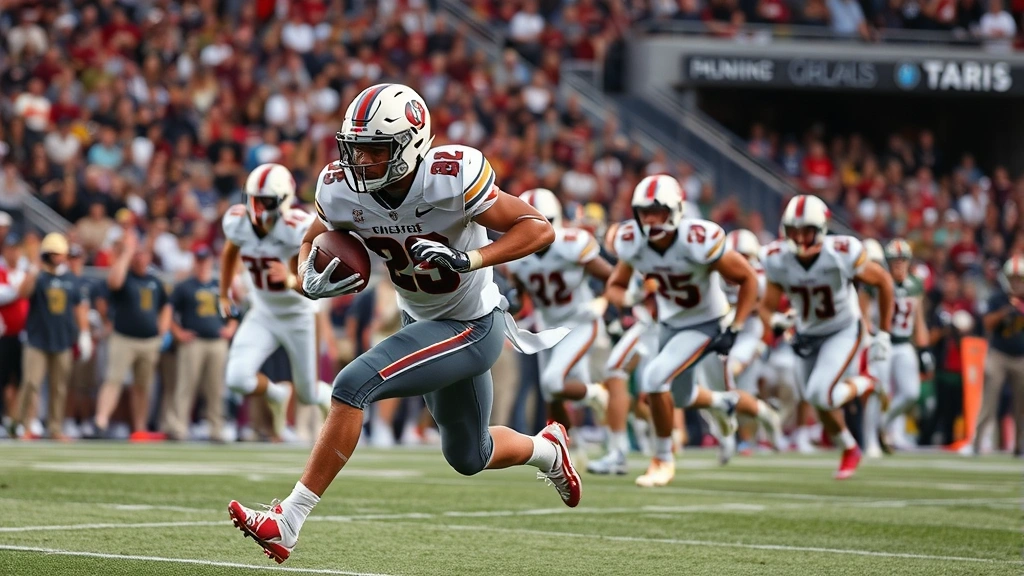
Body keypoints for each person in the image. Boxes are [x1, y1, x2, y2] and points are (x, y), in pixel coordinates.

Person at [227, 83, 578, 563]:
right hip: (423, 318)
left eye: (375, 150)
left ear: (412, 143)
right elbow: (312, 239)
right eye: (356, 149)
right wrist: (306, 276)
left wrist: (469, 257)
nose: (361, 162)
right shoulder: (341, 187)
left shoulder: (449, 175)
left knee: (351, 384)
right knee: (468, 456)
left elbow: (538, 227)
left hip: (473, 325)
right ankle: (548, 450)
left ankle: (288, 520)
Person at [604, 174, 765, 487]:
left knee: (654, 377)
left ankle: (662, 459)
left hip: (705, 322)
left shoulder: (697, 239)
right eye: (644, 212)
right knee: (680, 395)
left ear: (676, 210)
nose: (650, 219)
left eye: (657, 211)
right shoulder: (633, 241)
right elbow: (615, 287)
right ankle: (721, 403)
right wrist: (632, 297)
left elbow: (749, 279)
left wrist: (737, 325)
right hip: (669, 323)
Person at [760, 195, 895, 479]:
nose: (798, 238)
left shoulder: (841, 252)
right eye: (793, 231)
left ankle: (866, 382)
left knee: (819, 393)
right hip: (807, 333)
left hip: (842, 329)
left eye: (805, 230)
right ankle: (849, 448)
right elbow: (767, 306)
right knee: (817, 400)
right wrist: (776, 321)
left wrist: (883, 333)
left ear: (821, 229)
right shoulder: (777, 258)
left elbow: (883, 281)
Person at [219, 163, 334, 440]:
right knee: (236, 378)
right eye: (252, 200)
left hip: (299, 315)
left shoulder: (299, 228)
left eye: (265, 201)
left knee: (308, 394)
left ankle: (339, 412)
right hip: (263, 312)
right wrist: (223, 292)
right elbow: (229, 251)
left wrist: (291, 279)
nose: (256, 209)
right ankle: (276, 393)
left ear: (284, 200)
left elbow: (314, 286)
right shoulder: (237, 222)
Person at [506, 188, 612, 434]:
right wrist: (513, 303)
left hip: (580, 321)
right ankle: (569, 443)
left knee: (552, 382)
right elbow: (520, 297)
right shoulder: (516, 256)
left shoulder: (572, 244)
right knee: (550, 394)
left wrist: (605, 301)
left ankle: (596, 394)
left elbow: (612, 276)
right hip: (548, 326)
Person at [91, 229, 171, 438]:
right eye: (137, 254)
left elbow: (165, 306)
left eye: (143, 253)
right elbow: (113, 282)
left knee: (143, 387)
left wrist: (162, 329)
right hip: (123, 337)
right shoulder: (125, 277)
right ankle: (101, 421)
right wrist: (126, 252)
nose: (140, 257)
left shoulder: (155, 281)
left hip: (149, 340)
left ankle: (140, 428)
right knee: (113, 380)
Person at [11, 233, 91, 440]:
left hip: (62, 339)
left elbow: (79, 308)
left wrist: (83, 333)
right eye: (53, 254)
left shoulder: (70, 279)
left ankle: (55, 427)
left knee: (59, 387)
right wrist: (34, 268)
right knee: (30, 383)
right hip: (37, 339)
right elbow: (22, 293)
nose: (57, 258)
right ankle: (22, 424)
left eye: (60, 254)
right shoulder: (39, 276)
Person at [165, 247, 236, 442]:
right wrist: (178, 332)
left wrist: (230, 328)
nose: (202, 264)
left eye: (205, 261)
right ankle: (179, 426)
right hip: (193, 341)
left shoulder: (220, 285)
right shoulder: (184, 286)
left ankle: (216, 428)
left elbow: (234, 312)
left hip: (216, 342)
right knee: (186, 385)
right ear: (194, 262)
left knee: (215, 388)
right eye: (199, 260)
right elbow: (168, 311)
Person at [878, 240, 930, 451]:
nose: (899, 265)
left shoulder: (916, 284)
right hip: (881, 342)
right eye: (894, 261)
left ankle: (886, 426)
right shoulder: (879, 280)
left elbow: (919, 319)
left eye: (902, 261)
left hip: (903, 344)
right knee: (880, 392)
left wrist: (924, 349)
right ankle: (877, 435)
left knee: (910, 393)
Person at [971, 255, 1024, 455]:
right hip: (998, 354)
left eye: (1020, 278)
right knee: (989, 401)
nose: (1016, 282)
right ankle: (977, 443)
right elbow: (987, 324)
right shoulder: (998, 298)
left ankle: (1019, 446)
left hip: (1021, 357)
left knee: (1021, 405)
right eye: (1013, 277)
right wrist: (1004, 312)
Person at [0, 234, 30, 432]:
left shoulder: (24, 272)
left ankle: (16, 419)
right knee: (2, 380)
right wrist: (20, 289)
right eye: (10, 248)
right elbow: (3, 295)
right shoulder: (3, 271)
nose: (14, 252)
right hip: (3, 334)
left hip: (24, 335)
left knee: (20, 380)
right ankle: (3, 418)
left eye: (17, 248)